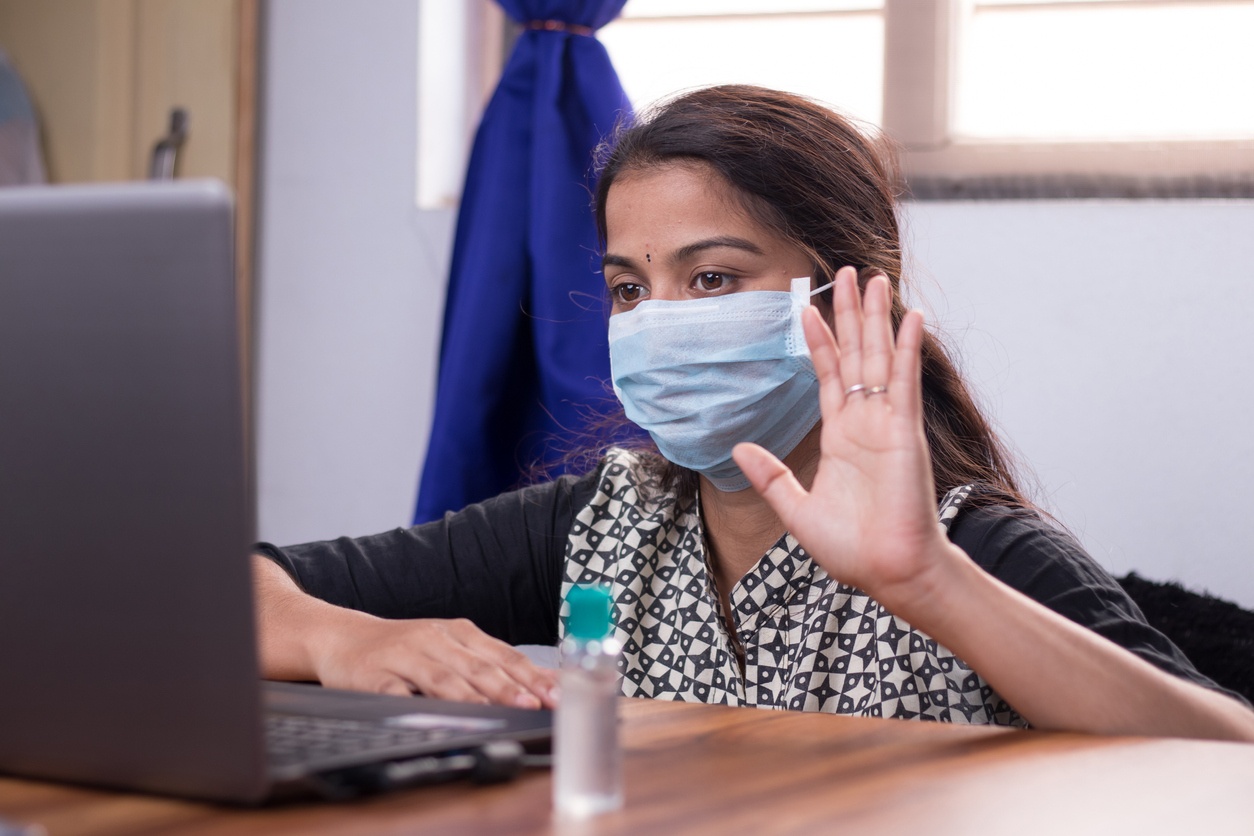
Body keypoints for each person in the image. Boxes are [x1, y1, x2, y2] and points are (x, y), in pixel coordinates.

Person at [254, 85, 1254, 741]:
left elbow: (1223, 756)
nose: (659, 323)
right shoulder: (603, 523)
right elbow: (214, 596)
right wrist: (344, 639)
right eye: (629, 289)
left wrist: (930, 581)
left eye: (715, 275)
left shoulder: (970, 541)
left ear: (845, 291)